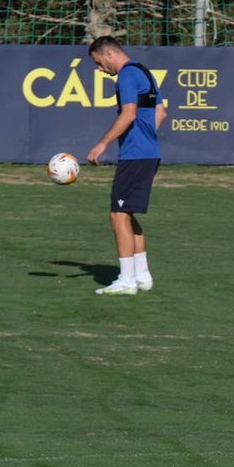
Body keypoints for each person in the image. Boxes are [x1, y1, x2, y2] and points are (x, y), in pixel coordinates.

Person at [86, 36, 167, 296]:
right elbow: (162, 112)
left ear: (109, 54)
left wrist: (102, 144)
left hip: (135, 155)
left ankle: (127, 280)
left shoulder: (126, 76)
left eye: (99, 63)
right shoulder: (145, 72)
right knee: (128, 213)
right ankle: (142, 276)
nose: (100, 69)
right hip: (149, 153)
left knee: (118, 214)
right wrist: (147, 136)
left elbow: (129, 113)